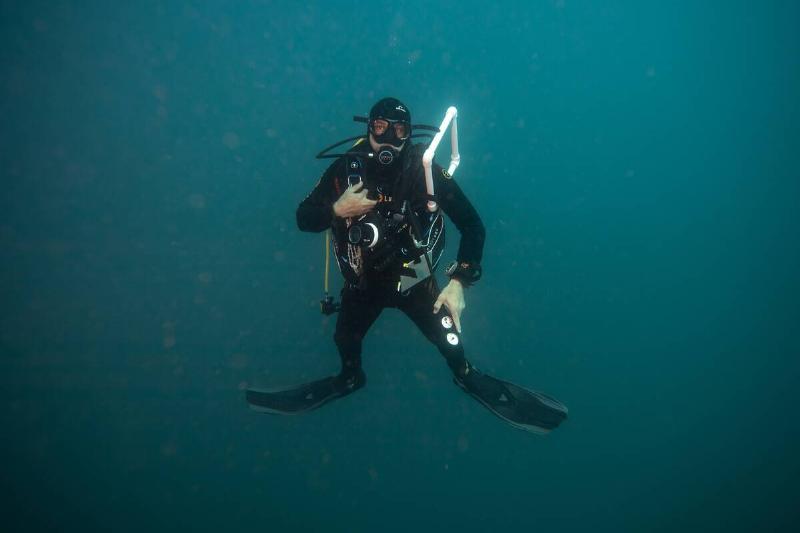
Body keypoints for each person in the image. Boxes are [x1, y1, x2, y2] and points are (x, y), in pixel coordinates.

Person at [246, 98, 568, 434]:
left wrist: (459, 282)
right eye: (380, 128)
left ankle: (466, 374)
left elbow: (473, 225)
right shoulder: (347, 168)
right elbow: (303, 217)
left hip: (412, 278)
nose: (388, 139)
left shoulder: (424, 170)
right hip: (363, 282)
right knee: (345, 339)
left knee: (450, 340)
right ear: (368, 127)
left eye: (398, 130)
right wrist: (335, 210)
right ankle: (349, 377)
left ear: (409, 135)